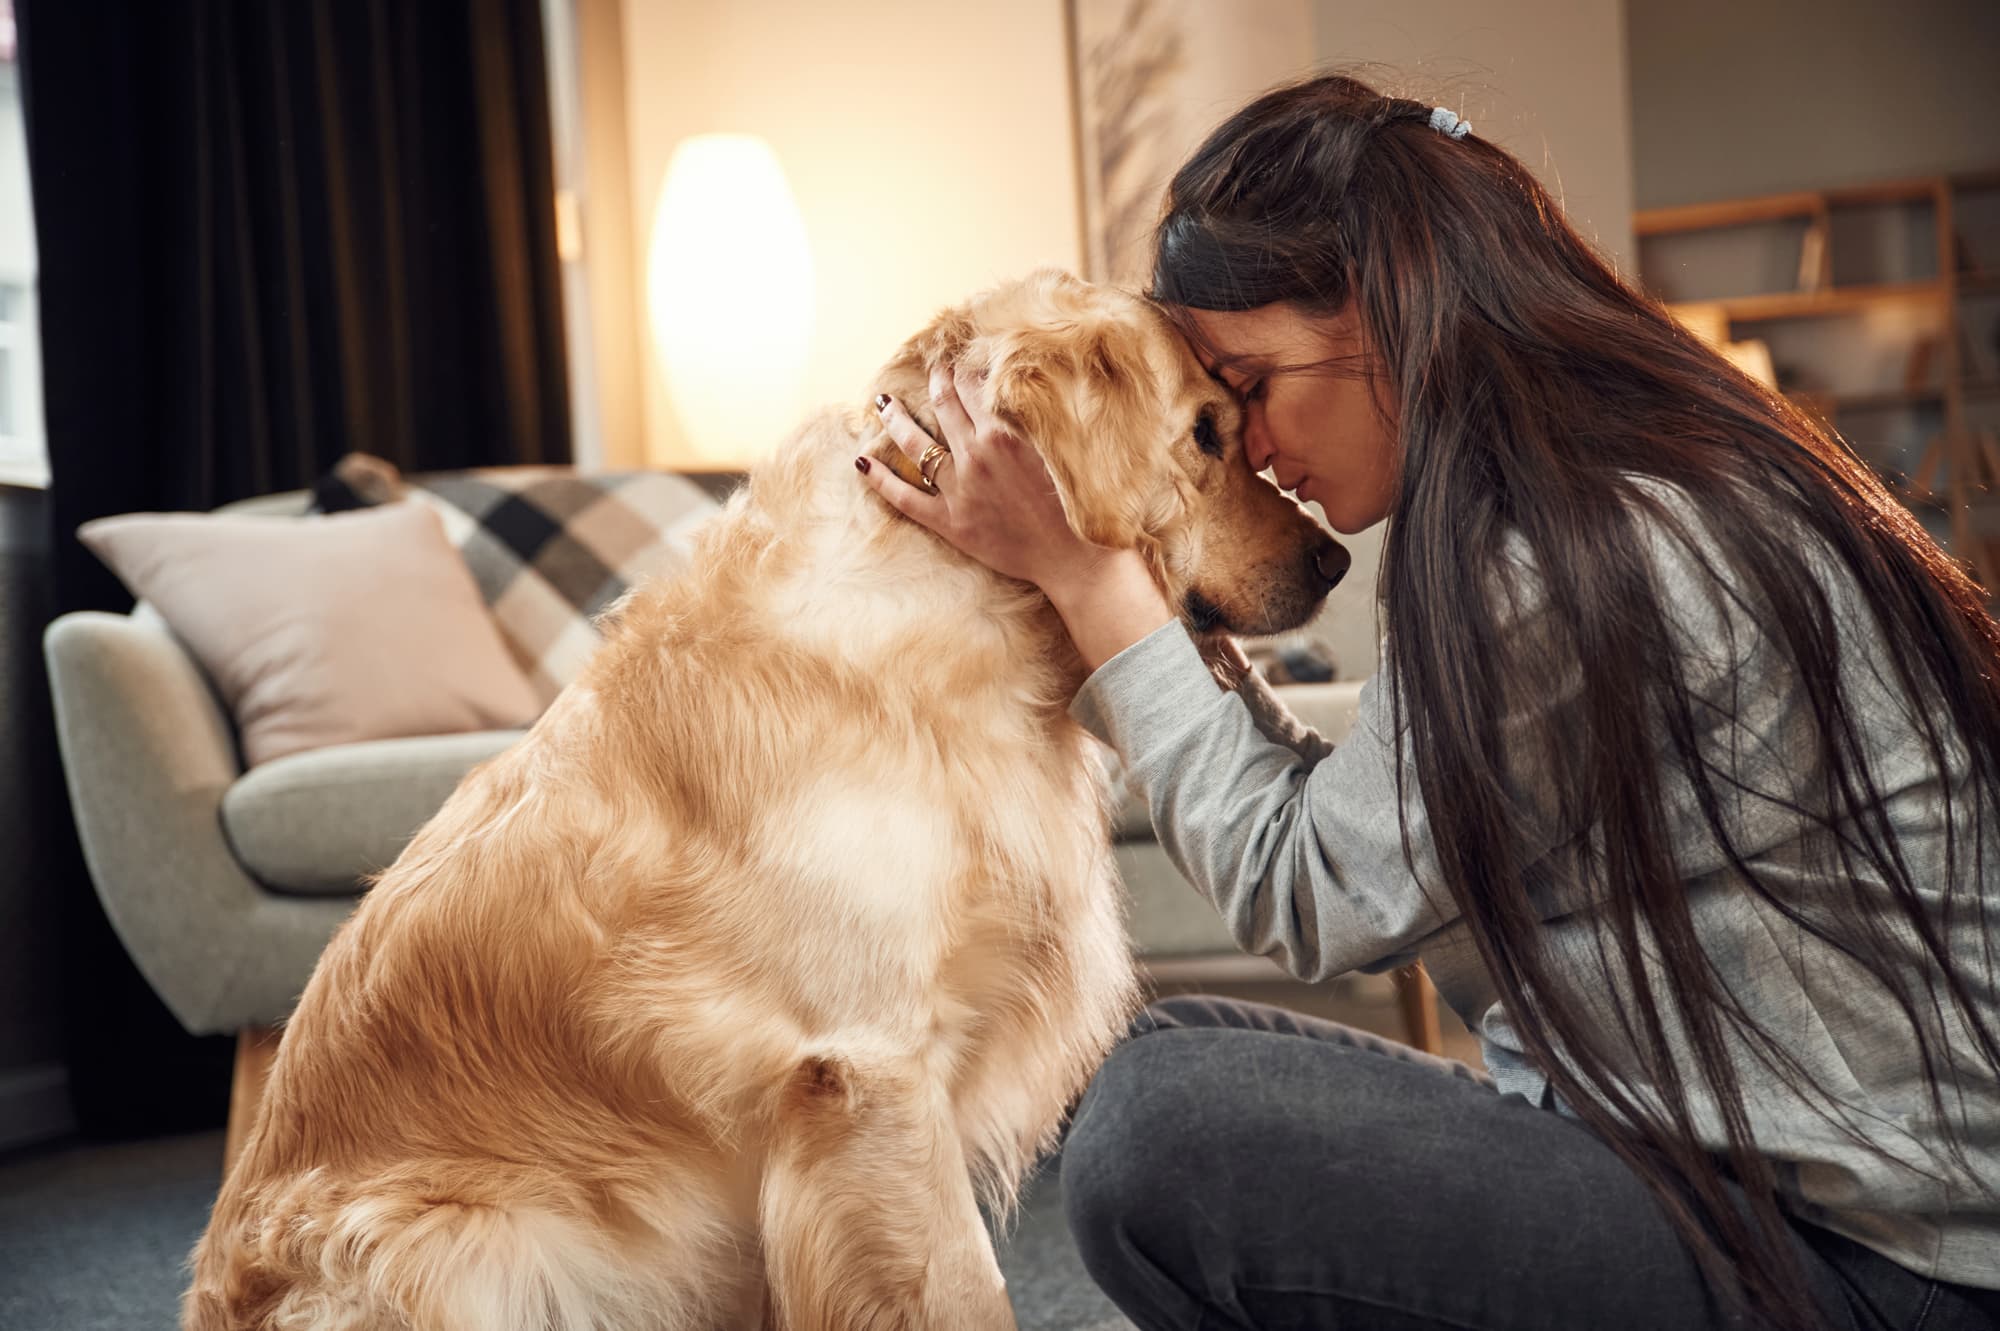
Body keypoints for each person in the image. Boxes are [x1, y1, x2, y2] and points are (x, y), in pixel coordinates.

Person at [854, 74, 2000, 1331]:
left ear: (1382, 308)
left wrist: (1091, 580)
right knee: (1159, 1056)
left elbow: (1311, 889)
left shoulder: (1558, 551)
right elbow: (1366, 828)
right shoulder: (1593, 481)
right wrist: (1172, 604)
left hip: (1884, 1269)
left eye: (1245, 387)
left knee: (1155, 1138)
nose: (1250, 450)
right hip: (1736, 1180)